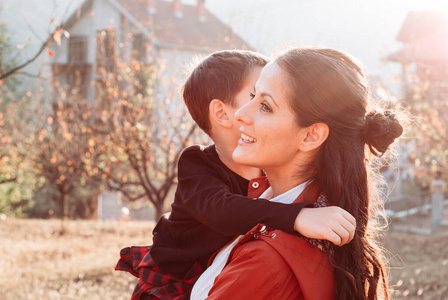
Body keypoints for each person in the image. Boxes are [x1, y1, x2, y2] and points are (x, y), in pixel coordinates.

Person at [115, 50, 356, 300]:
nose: (248, 111)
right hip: (176, 279)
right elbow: (224, 211)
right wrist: (297, 217)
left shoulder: (270, 170)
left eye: (265, 104)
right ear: (221, 113)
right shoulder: (197, 164)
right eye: (254, 96)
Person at [191, 47, 404, 300]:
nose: (240, 114)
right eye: (252, 96)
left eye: (265, 106)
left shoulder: (264, 263)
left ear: (310, 135)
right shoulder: (320, 211)